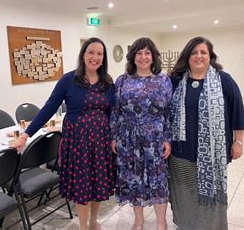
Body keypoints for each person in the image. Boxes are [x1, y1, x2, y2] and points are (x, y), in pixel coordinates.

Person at [11, 37, 115, 230]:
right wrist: (26, 135)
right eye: (91, 52)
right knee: (83, 186)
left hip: (101, 142)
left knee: (97, 183)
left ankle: (93, 221)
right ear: (83, 55)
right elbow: (49, 108)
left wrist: (114, 138)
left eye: (99, 53)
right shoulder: (69, 80)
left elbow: (112, 113)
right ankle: (84, 225)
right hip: (78, 143)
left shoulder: (108, 82)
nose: (95, 57)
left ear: (103, 58)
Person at [168, 36, 244, 230]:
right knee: (185, 192)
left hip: (213, 153)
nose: (198, 56)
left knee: (209, 194)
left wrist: (238, 142)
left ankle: (210, 226)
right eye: (194, 52)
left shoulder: (223, 80)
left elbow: (237, 111)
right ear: (187, 57)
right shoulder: (176, 81)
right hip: (181, 151)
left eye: (203, 52)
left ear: (210, 56)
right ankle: (185, 224)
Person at [110, 37, 173, 230]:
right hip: (128, 138)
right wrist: (114, 136)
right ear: (133, 57)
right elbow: (115, 110)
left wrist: (167, 139)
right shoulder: (122, 81)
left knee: (157, 180)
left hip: (154, 138)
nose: (143, 57)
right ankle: (138, 221)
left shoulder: (163, 80)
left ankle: (161, 223)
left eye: (147, 53)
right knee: (133, 179)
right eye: (139, 53)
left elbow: (169, 112)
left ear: (153, 57)